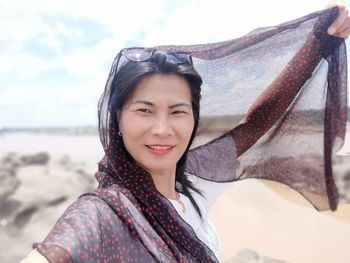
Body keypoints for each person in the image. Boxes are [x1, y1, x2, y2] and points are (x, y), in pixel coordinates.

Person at [22, 5, 350, 263]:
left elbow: (256, 122)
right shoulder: (105, 211)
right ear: (117, 121)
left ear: (193, 118)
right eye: (144, 110)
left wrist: (319, 45)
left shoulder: (193, 177)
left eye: (178, 111)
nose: (162, 129)